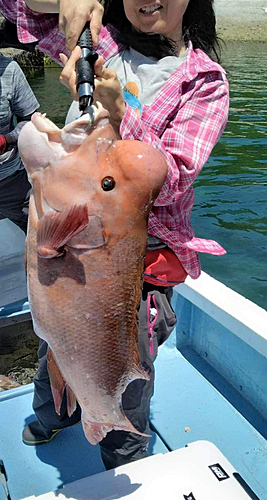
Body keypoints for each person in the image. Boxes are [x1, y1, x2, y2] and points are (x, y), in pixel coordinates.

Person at [0, 0, 229, 469]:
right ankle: (53, 416)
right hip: (78, 242)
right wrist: (65, 0)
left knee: (128, 369)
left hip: (139, 269)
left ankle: (122, 450)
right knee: (57, 343)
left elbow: (173, 179)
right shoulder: (105, 42)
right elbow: (19, 9)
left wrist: (121, 109)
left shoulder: (204, 82)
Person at [0, 52, 39, 233]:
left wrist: (7, 140)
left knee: (38, 235)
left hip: (11, 182)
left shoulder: (10, 70)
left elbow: (30, 119)